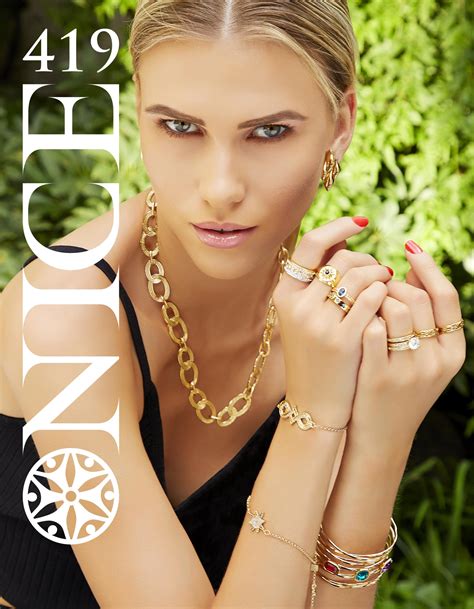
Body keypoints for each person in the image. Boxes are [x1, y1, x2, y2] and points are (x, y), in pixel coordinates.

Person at [0, 1, 466, 608]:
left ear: (341, 124)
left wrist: (382, 442)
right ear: (139, 110)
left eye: (269, 131)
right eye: (180, 127)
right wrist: (315, 417)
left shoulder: (327, 324)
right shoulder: (63, 314)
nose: (221, 188)